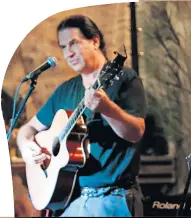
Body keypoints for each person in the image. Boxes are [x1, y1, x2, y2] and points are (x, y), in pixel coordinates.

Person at [16, 14, 147, 217]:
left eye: (74, 44)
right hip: (72, 200)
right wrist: (26, 148)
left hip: (113, 198)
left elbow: (136, 132)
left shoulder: (123, 78)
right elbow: (27, 129)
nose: (68, 53)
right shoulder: (65, 90)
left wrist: (107, 109)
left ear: (95, 41)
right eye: (63, 47)